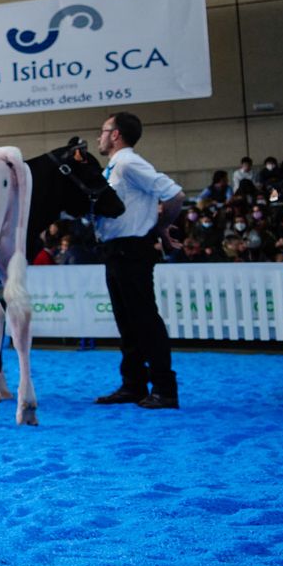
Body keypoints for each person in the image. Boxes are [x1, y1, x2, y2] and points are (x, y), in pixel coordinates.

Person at [92, 113, 185, 410]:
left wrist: (159, 227)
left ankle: (164, 388)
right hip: (115, 249)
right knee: (127, 322)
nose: (99, 137)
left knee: (145, 319)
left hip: (132, 248)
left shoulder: (130, 163)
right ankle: (133, 384)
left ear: (116, 134)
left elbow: (174, 194)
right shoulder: (117, 166)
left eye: (103, 131)